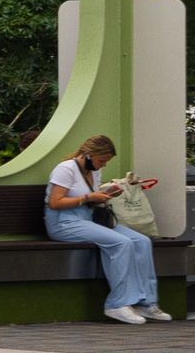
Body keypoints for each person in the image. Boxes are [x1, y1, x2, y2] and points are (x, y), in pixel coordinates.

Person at [47, 135, 167, 323]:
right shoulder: (66, 169)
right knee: (121, 242)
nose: (103, 165)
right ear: (88, 154)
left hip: (88, 219)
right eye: (101, 160)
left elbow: (91, 200)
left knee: (142, 241)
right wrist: (89, 198)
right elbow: (54, 203)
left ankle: (145, 302)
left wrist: (106, 194)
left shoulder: (94, 171)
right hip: (64, 222)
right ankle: (118, 304)